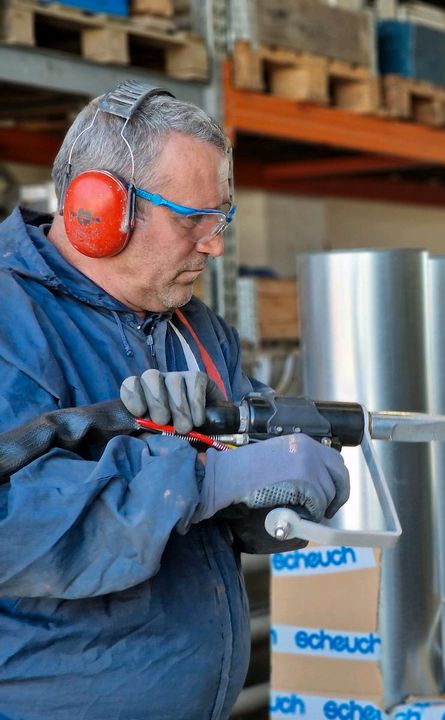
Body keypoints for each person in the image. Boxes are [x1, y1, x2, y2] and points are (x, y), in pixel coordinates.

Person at [0, 82, 350, 719]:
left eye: (222, 219)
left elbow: (225, 494)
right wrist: (200, 479)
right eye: (191, 220)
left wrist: (276, 491)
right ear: (97, 209)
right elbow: (13, 525)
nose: (214, 244)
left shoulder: (194, 326)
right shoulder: (10, 322)